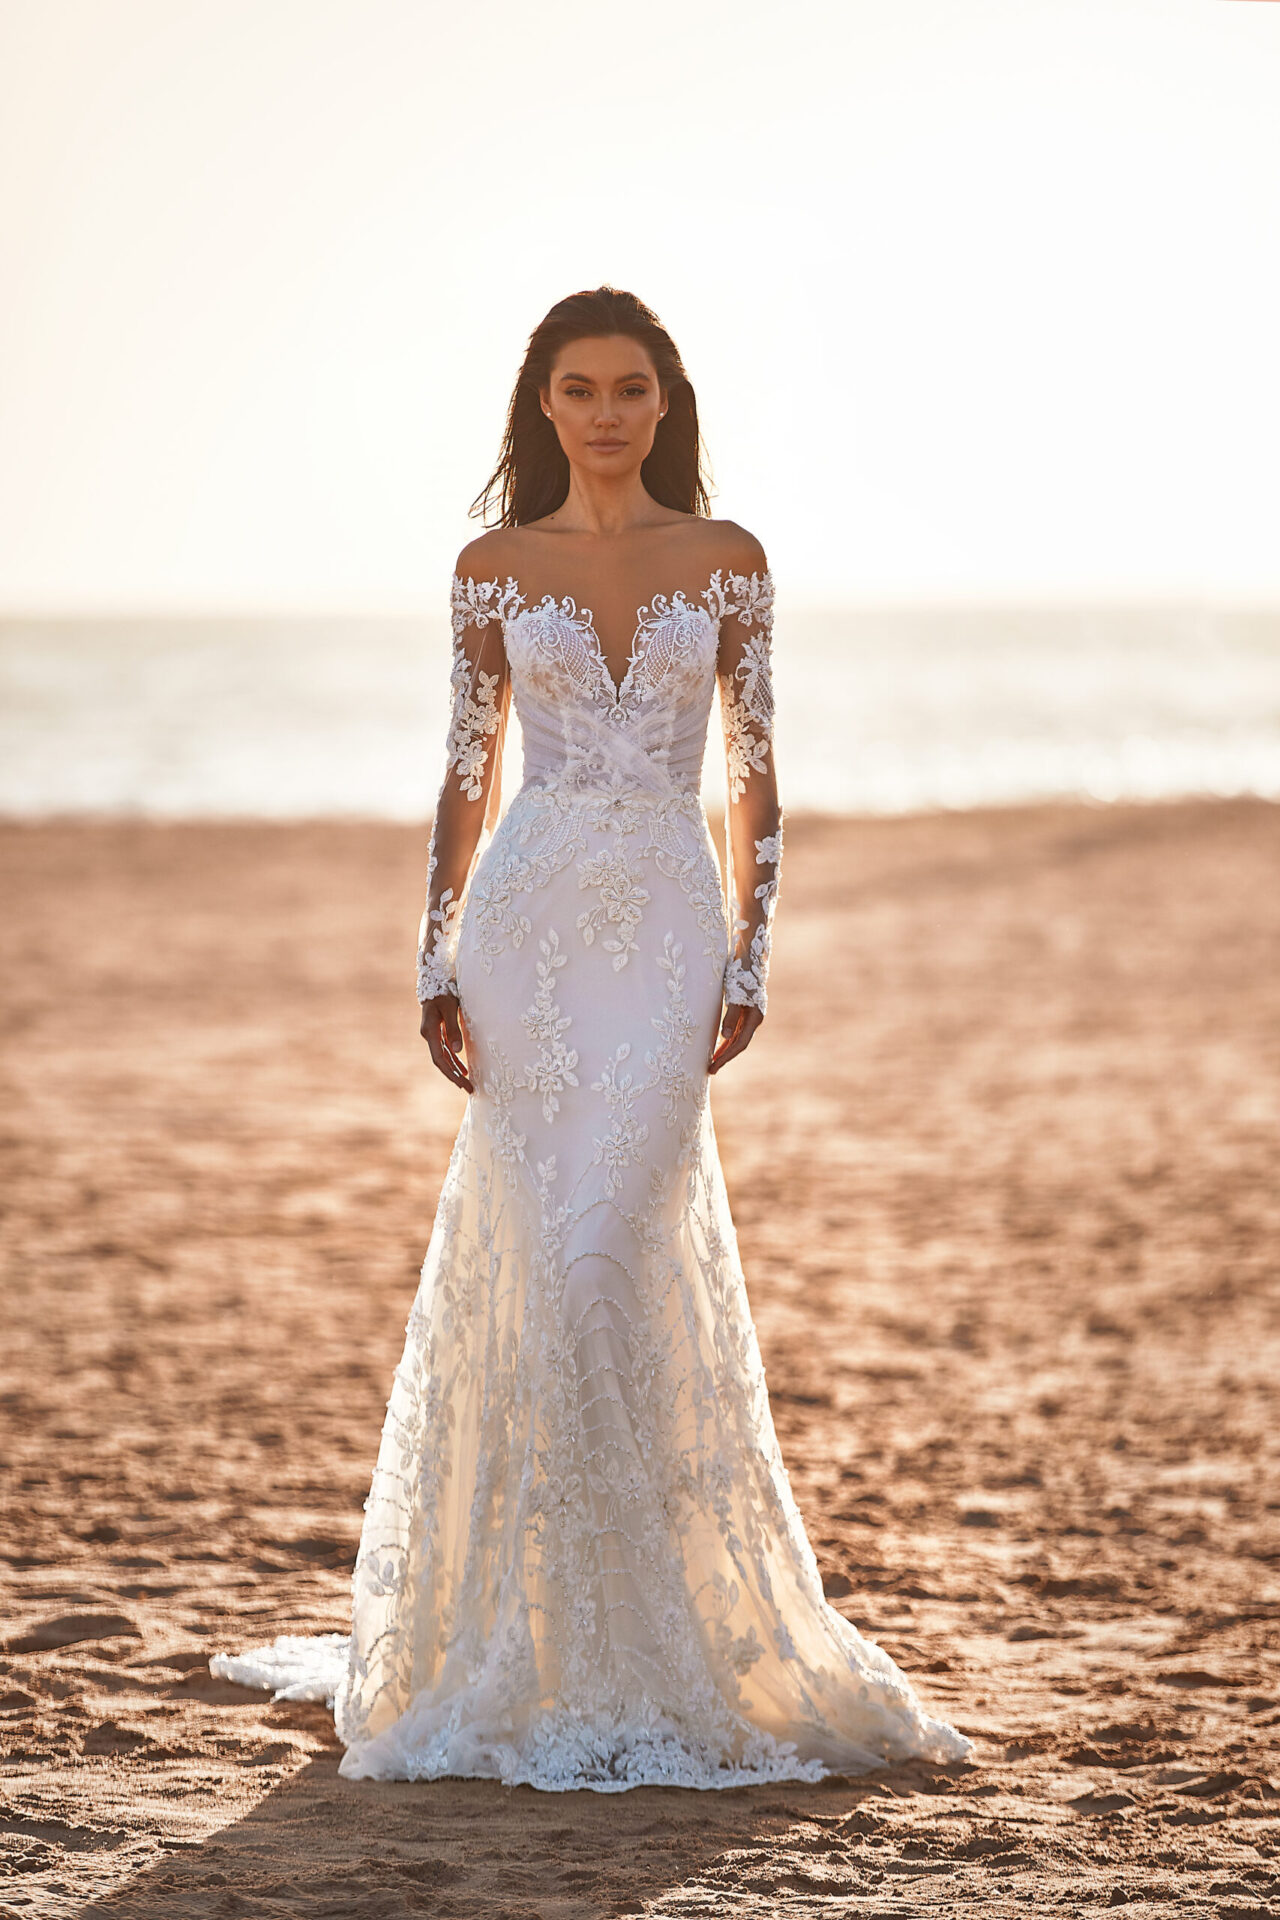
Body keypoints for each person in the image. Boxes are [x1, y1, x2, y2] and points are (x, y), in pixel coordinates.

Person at [213, 286, 973, 1789]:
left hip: (669, 926)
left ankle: (645, 1635)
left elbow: (756, 771)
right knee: (546, 1253)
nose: (609, 411)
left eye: (633, 387)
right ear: (545, 406)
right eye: (581, 388)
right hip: (527, 928)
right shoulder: (493, 570)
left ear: (666, 402)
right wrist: (434, 955)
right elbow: (461, 775)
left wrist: (753, 950)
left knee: (610, 1245)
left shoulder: (730, 563)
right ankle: (533, 1634)